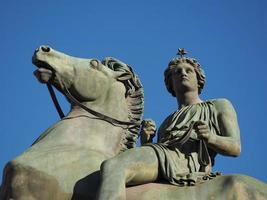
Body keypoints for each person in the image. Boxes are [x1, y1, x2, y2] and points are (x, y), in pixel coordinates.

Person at [96, 49, 241, 200]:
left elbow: (235, 147)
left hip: (187, 162)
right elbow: (155, 161)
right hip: (164, 157)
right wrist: (146, 140)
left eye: (189, 71)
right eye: (177, 72)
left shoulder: (219, 105)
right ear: (170, 83)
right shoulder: (166, 122)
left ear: (199, 79)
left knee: (114, 167)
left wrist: (210, 137)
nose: (183, 74)